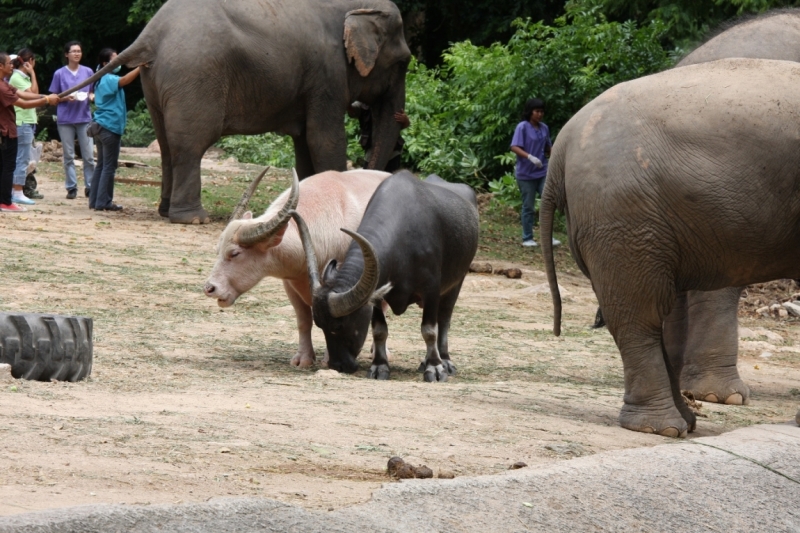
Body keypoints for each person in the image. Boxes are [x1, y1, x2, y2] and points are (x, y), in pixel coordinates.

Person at [0, 52, 60, 212]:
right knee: (8, 167)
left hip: (7, 130)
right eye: (8, 63)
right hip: (6, 132)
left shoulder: (4, 84)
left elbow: (24, 94)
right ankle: (5, 202)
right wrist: (47, 100)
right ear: (0, 66)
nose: (11, 65)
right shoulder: (1, 87)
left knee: (5, 166)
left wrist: (47, 96)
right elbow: (23, 104)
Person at [88, 48, 140, 211]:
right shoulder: (108, 78)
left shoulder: (100, 77)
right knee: (109, 166)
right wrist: (140, 67)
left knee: (102, 165)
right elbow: (124, 80)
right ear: (106, 63)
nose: (119, 63)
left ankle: (95, 201)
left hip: (100, 126)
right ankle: (104, 202)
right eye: (115, 60)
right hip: (109, 127)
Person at [510, 98, 560, 248]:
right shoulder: (522, 127)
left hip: (542, 171)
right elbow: (514, 146)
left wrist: (555, 158)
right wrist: (529, 157)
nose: (539, 114)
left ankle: (548, 237)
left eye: (541, 112)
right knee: (529, 206)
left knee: (548, 202)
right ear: (530, 112)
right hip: (526, 174)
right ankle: (527, 237)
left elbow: (548, 147)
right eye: (537, 111)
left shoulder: (544, 128)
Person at [49, 41, 95, 200]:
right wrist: (64, 98)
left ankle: (90, 186)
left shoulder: (88, 71)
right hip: (65, 119)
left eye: (79, 51)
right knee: (68, 155)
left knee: (88, 155)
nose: (77, 54)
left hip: (84, 117)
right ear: (66, 54)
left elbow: (92, 91)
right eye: (73, 51)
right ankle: (71, 187)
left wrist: (91, 96)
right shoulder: (59, 74)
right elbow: (53, 98)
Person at [10, 49, 42, 205]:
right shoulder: (17, 78)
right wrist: (33, 73)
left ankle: (16, 190)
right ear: (30, 61)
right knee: (22, 158)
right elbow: (35, 94)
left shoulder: (21, 77)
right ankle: (17, 191)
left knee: (22, 157)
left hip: (27, 121)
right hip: (22, 121)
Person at [349, 102, 409, 172]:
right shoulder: (362, 104)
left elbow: (403, 124)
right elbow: (352, 111)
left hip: (392, 150)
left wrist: (405, 120)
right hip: (371, 151)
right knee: (370, 177)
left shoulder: (390, 101)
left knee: (390, 178)